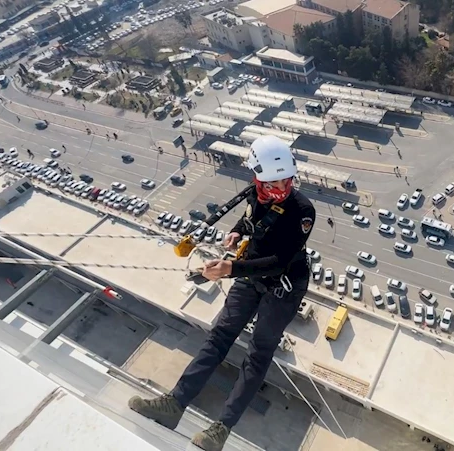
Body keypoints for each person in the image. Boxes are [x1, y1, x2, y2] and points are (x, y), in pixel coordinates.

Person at [128, 136, 315, 451]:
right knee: (219, 338)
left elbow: (279, 261)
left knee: (258, 354)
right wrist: (237, 232)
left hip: (282, 286)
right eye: (270, 182)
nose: (278, 187)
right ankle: (174, 403)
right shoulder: (254, 194)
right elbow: (250, 218)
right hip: (246, 272)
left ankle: (221, 429)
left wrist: (230, 270)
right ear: (257, 177)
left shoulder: (302, 211)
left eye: (285, 181)